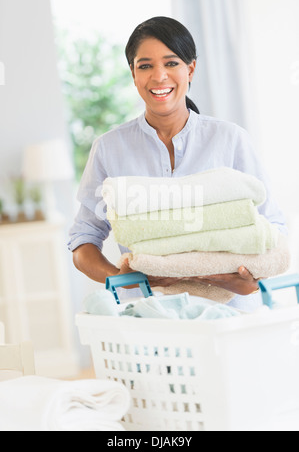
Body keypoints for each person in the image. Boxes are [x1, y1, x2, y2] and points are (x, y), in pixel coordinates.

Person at [68, 16, 287, 311]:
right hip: (151, 317)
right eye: (145, 65)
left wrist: (235, 276)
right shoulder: (109, 149)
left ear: (190, 69)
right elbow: (84, 239)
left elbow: (271, 226)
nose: (159, 77)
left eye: (171, 63)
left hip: (231, 316)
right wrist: (125, 280)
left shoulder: (229, 139)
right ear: (133, 74)